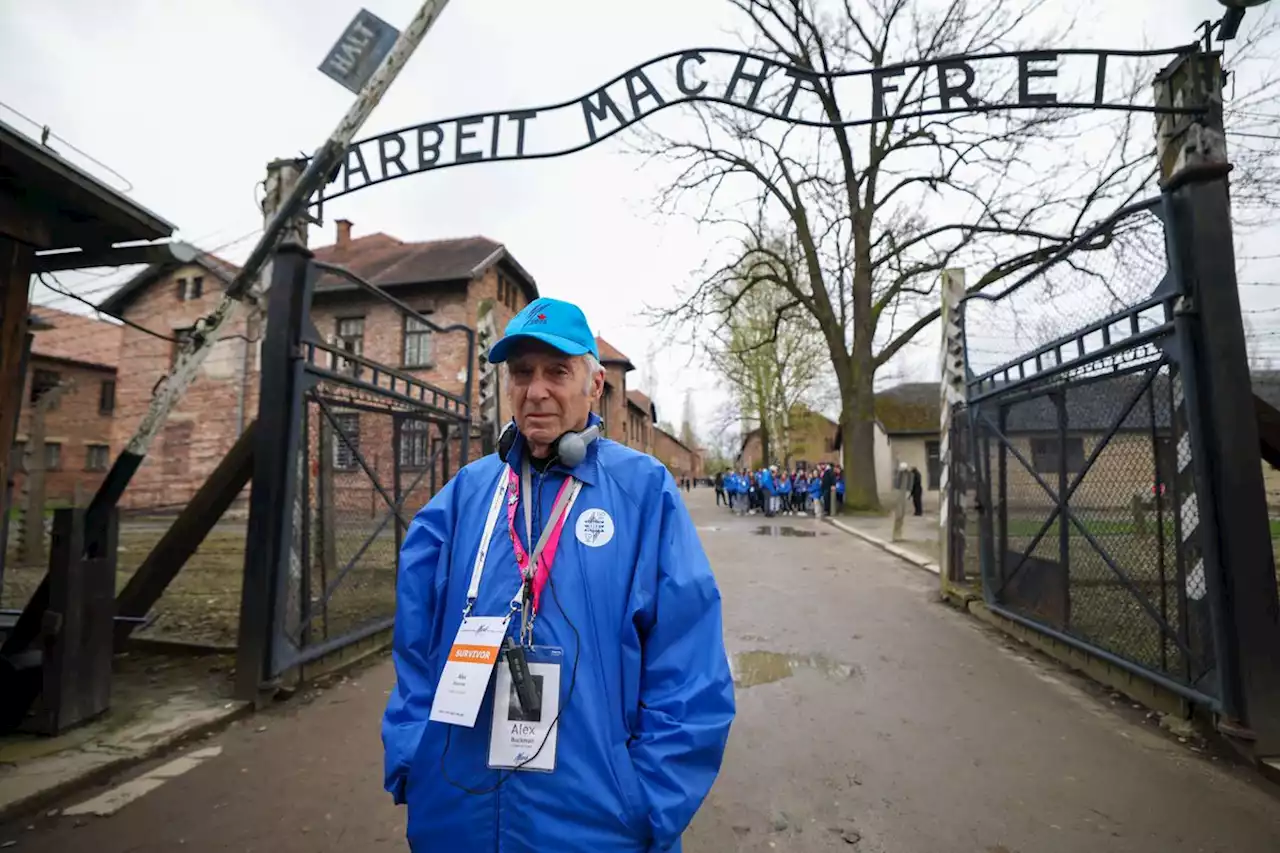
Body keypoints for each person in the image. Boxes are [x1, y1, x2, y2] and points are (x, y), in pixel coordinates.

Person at [383, 297, 735, 852]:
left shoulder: (643, 493)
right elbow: (414, 648)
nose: (536, 389)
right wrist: (412, 759)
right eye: (522, 372)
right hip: (457, 818)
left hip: (596, 828)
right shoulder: (465, 498)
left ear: (594, 385)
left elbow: (689, 673)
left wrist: (646, 802)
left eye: (557, 371)